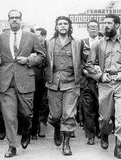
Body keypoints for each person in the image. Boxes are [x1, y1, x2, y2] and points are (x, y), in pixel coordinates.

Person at [0, 9, 46, 158]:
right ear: (8, 20)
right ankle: (12, 146)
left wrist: (29, 60)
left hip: (25, 80)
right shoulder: (0, 37)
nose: (15, 20)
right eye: (12, 18)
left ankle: (27, 131)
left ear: (21, 20)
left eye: (17, 18)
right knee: (9, 116)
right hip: (6, 82)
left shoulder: (32, 36)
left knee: (26, 113)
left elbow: (42, 57)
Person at [85, 14, 121, 159]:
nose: (106, 25)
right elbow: (88, 65)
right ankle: (104, 134)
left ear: (117, 25)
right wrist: (100, 75)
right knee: (104, 118)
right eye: (105, 23)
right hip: (104, 84)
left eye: (109, 23)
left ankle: (118, 146)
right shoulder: (97, 44)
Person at [45, 16, 83, 156]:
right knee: (55, 116)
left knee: (69, 114)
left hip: (71, 83)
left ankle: (66, 144)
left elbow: (85, 60)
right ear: (55, 27)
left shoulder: (77, 43)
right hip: (53, 82)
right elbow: (43, 61)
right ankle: (56, 128)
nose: (62, 26)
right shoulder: (48, 43)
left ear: (69, 26)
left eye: (65, 24)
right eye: (59, 24)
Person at [80, 19, 101, 145]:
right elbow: (78, 60)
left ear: (98, 29)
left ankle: (99, 129)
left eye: (95, 26)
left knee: (101, 107)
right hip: (87, 81)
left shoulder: (103, 42)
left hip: (101, 81)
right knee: (88, 109)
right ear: (87, 29)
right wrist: (84, 70)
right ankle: (90, 135)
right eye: (91, 27)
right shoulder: (82, 43)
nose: (93, 28)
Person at [30, 27, 49, 139]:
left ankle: (41, 126)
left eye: (37, 36)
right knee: (34, 104)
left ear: (43, 37)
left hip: (46, 80)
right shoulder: (31, 47)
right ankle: (33, 128)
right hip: (34, 79)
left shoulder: (48, 47)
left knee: (43, 104)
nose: (35, 38)